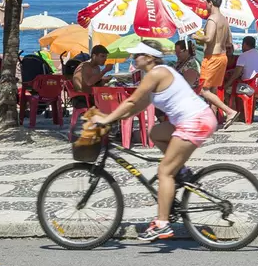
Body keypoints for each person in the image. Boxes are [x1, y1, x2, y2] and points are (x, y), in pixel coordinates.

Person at [90, 40, 217, 241]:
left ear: (149, 57)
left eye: (136, 55)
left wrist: (106, 118)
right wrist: (116, 118)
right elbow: (138, 106)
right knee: (156, 133)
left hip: (195, 121)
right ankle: (181, 171)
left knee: (164, 171)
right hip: (194, 119)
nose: (133, 59)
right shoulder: (157, 75)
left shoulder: (157, 73)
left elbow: (131, 100)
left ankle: (162, 224)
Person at [199, 0, 240, 126]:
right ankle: (213, 121)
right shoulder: (224, 20)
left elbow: (209, 38)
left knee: (203, 90)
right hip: (223, 57)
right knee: (213, 91)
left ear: (210, 3)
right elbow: (229, 42)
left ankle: (229, 112)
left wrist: (197, 36)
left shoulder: (212, 19)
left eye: (206, 3)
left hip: (212, 57)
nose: (206, 6)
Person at [69, 45, 109, 110]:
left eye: (106, 57)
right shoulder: (85, 65)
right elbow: (89, 83)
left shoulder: (97, 68)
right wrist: (104, 71)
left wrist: (103, 81)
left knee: (112, 99)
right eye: (102, 56)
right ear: (94, 56)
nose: (105, 59)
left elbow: (95, 85)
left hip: (90, 96)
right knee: (110, 101)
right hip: (81, 99)